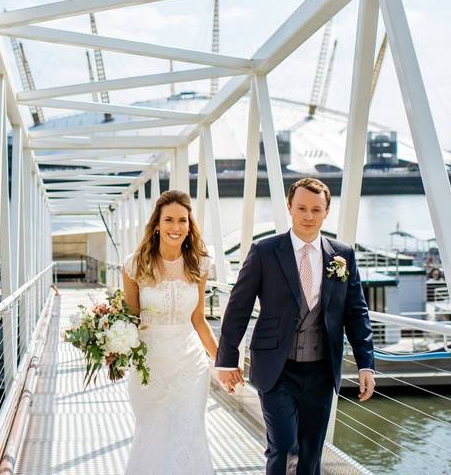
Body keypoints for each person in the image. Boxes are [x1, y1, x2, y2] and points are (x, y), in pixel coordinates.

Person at [215, 178, 375, 475]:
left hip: (322, 371)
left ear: (327, 211)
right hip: (277, 369)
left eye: (316, 209)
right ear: (289, 207)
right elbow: (239, 307)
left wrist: (366, 364)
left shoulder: (343, 255)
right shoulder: (264, 251)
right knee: (285, 447)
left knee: (311, 454)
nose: (308, 216)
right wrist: (226, 360)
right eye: (301, 208)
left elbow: (356, 312)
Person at [121, 190, 218, 475]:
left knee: (189, 433)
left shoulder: (199, 264)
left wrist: (222, 360)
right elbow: (130, 318)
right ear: (157, 225)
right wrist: (112, 348)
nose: (176, 227)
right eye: (169, 220)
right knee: (151, 432)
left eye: (182, 221)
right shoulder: (134, 265)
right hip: (149, 366)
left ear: (190, 226)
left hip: (190, 365)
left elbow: (199, 319)